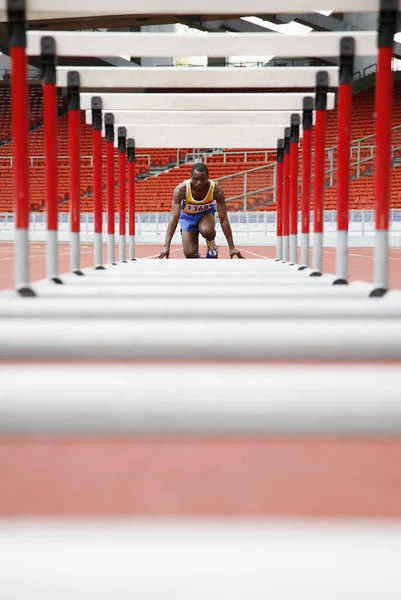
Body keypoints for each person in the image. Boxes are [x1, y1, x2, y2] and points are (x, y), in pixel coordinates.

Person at [157, 163, 244, 259]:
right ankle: (196, 252)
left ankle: (211, 242)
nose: (199, 182)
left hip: (205, 215)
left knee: (206, 230)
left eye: (203, 179)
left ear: (208, 177)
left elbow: (223, 219)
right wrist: (166, 246)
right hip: (188, 217)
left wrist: (231, 247)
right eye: (195, 179)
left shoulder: (216, 190)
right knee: (190, 254)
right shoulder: (181, 190)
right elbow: (174, 217)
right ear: (190, 177)